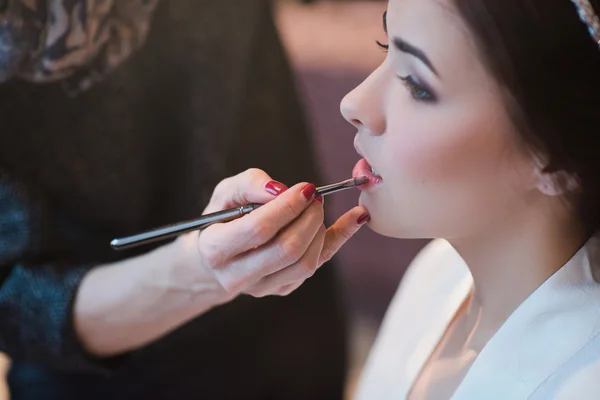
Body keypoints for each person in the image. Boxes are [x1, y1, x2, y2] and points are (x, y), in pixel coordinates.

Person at [0, 1, 368, 399]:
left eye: (414, 80)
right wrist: (201, 273)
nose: (353, 105)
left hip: (294, 326)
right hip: (110, 377)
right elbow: (13, 305)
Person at [339, 0, 600, 398]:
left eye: (416, 84)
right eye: (384, 46)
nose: (353, 103)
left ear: (556, 161)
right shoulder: (438, 272)